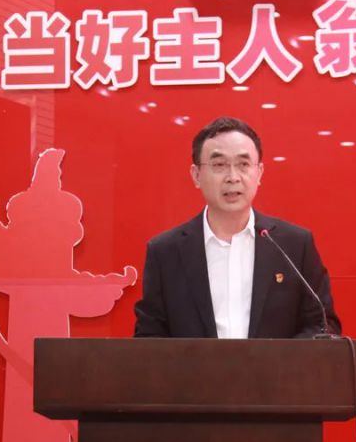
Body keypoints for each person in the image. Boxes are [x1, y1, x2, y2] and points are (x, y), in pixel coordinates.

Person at [134, 116, 341, 338]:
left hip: (277, 363)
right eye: (219, 165)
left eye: (243, 164)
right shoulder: (165, 252)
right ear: (196, 175)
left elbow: (322, 325)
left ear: (259, 172)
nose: (233, 177)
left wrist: (280, 358)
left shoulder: (294, 245)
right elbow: (150, 337)